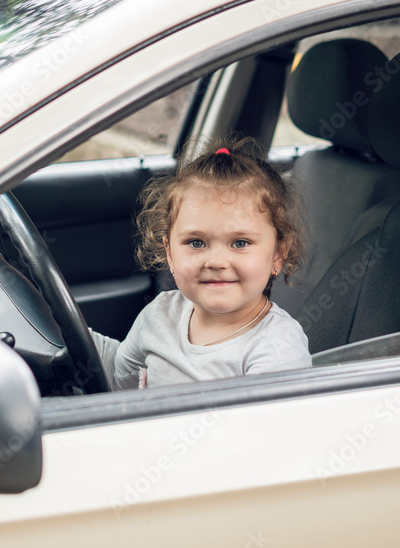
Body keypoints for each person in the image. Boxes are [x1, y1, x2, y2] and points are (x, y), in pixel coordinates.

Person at [91, 136, 311, 390]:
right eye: (196, 243)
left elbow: (257, 428)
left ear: (277, 255)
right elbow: (120, 379)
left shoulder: (277, 346)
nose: (216, 261)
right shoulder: (160, 313)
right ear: (170, 254)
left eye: (240, 243)